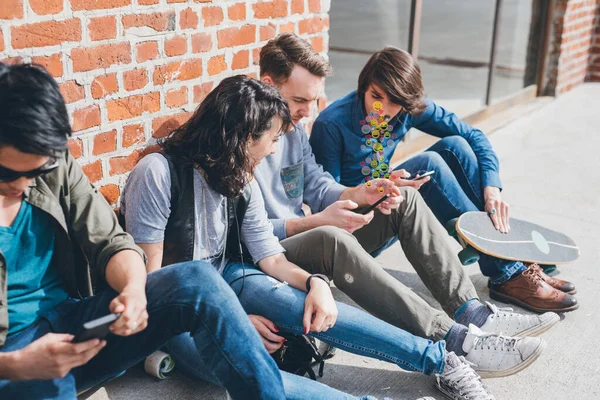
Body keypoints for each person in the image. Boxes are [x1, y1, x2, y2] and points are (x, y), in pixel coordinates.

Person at [122, 75, 542, 400]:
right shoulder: (158, 175)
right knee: (240, 364)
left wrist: (315, 284)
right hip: (172, 310)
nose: (273, 151)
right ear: (240, 137)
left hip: (230, 275)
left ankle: (444, 360)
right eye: (269, 140)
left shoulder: (239, 178)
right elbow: (154, 289)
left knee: (301, 303)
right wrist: (226, 319)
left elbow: (269, 258)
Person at [250, 32, 556, 366]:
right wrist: (318, 219)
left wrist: (364, 193)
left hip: (331, 229)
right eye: (300, 101)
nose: (309, 113)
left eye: (314, 100)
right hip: (279, 252)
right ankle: (455, 338)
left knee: (422, 181)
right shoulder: (245, 142)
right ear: (268, 84)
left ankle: (476, 311)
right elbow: (249, 233)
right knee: (332, 234)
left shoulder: (293, 133)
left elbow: (320, 186)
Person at [0, 63, 288, 400]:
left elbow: (112, 241)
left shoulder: (50, 162)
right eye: (7, 173)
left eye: (39, 169)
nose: (25, 183)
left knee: (196, 280)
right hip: (13, 357)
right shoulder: (159, 171)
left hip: (71, 322)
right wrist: (16, 365)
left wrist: (135, 290)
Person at [310, 46, 578, 314]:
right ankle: (509, 272)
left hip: (389, 202)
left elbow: (474, 136)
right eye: (376, 97)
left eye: (395, 101)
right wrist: (376, 189)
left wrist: (492, 189)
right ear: (363, 87)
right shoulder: (332, 124)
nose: (384, 109)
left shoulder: (405, 108)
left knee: (455, 145)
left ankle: (508, 262)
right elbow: (328, 203)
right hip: (356, 232)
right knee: (430, 164)